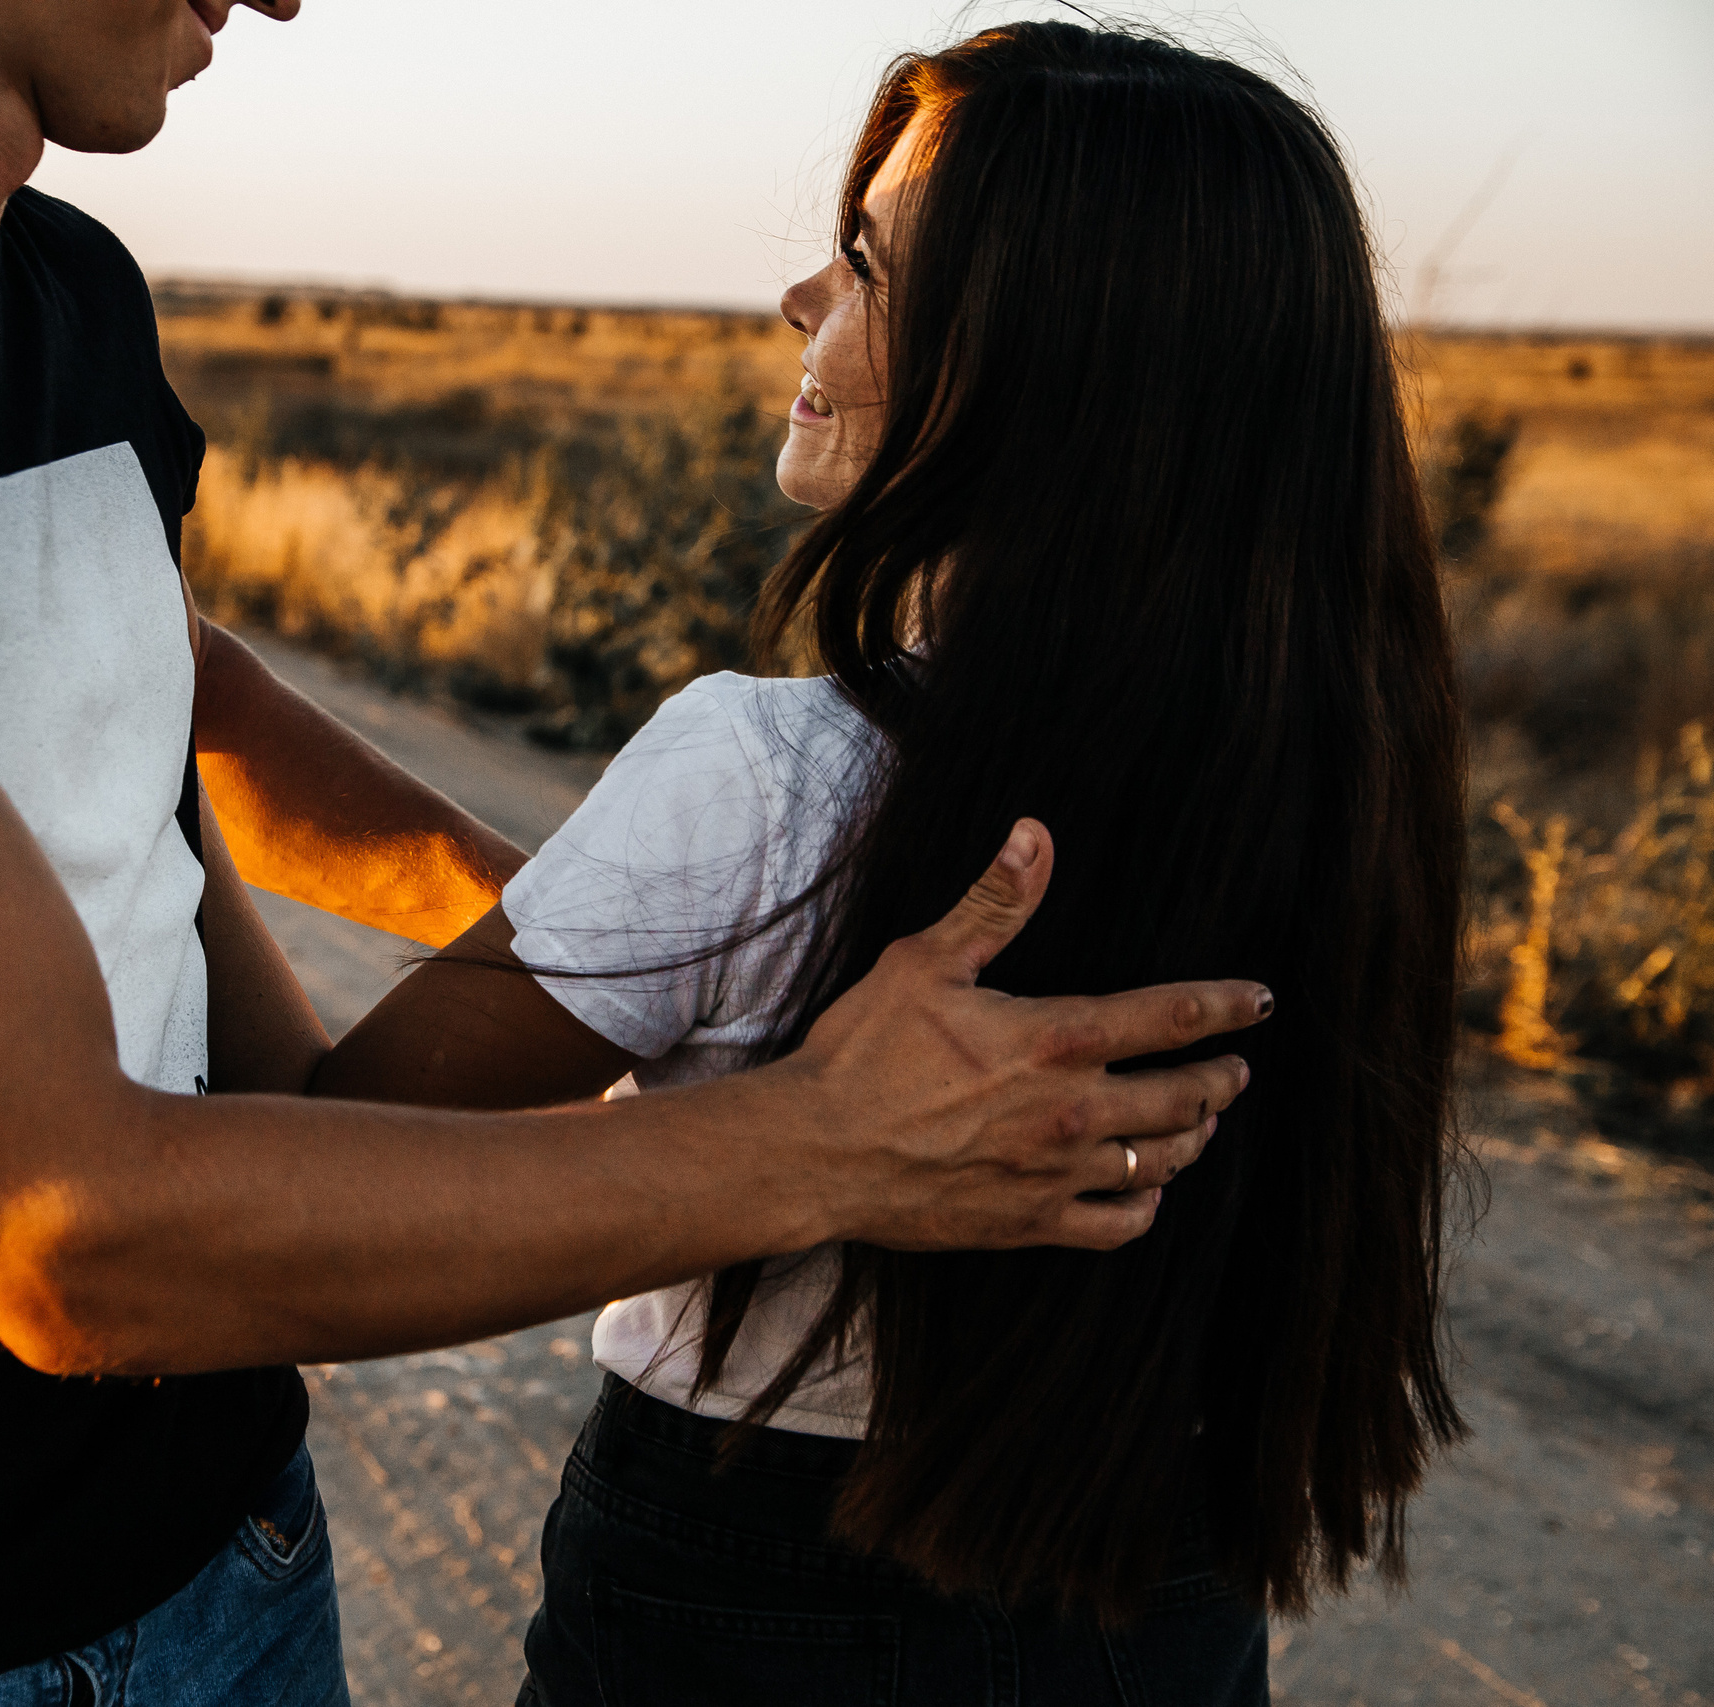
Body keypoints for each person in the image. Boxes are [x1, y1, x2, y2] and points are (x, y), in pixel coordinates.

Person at [0, 4, 1267, 1703]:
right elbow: (68, 1237)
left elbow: (159, 695)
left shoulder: (67, 295)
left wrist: (673, 923)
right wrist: (814, 1136)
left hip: (227, 1576)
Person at [317, 21, 1467, 1706]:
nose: (801, 298)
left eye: (865, 264)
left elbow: (312, 1179)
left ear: (1052, 360)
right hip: (1162, 1583)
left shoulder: (764, 774)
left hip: (754, 1593)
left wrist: (188, 734)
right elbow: (684, 945)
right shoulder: (1342, 773)